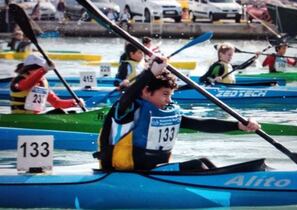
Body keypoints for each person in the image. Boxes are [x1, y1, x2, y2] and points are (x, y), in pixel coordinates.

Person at [95, 56, 261, 171]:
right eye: (165, 94)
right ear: (146, 91)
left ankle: (229, 181)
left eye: (171, 95)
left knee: (203, 162)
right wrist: (150, 73)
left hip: (154, 171)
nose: (169, 100)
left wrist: (238, 125)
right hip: (127, 173)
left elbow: (199, 123)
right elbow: (129, 94)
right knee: (197, 165)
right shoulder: (127, 109)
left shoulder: (165, 112)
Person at [10, 53, 85, 114]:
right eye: (40, 68)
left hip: (36, 117)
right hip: (20, 117)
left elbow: (56, 103)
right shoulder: (18, 80)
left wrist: (74, 102)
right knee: (59, 112)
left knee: (72, 112)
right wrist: (43, 70)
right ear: (29, 69)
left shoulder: (43, 82)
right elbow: (25, 85)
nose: (43, 71)